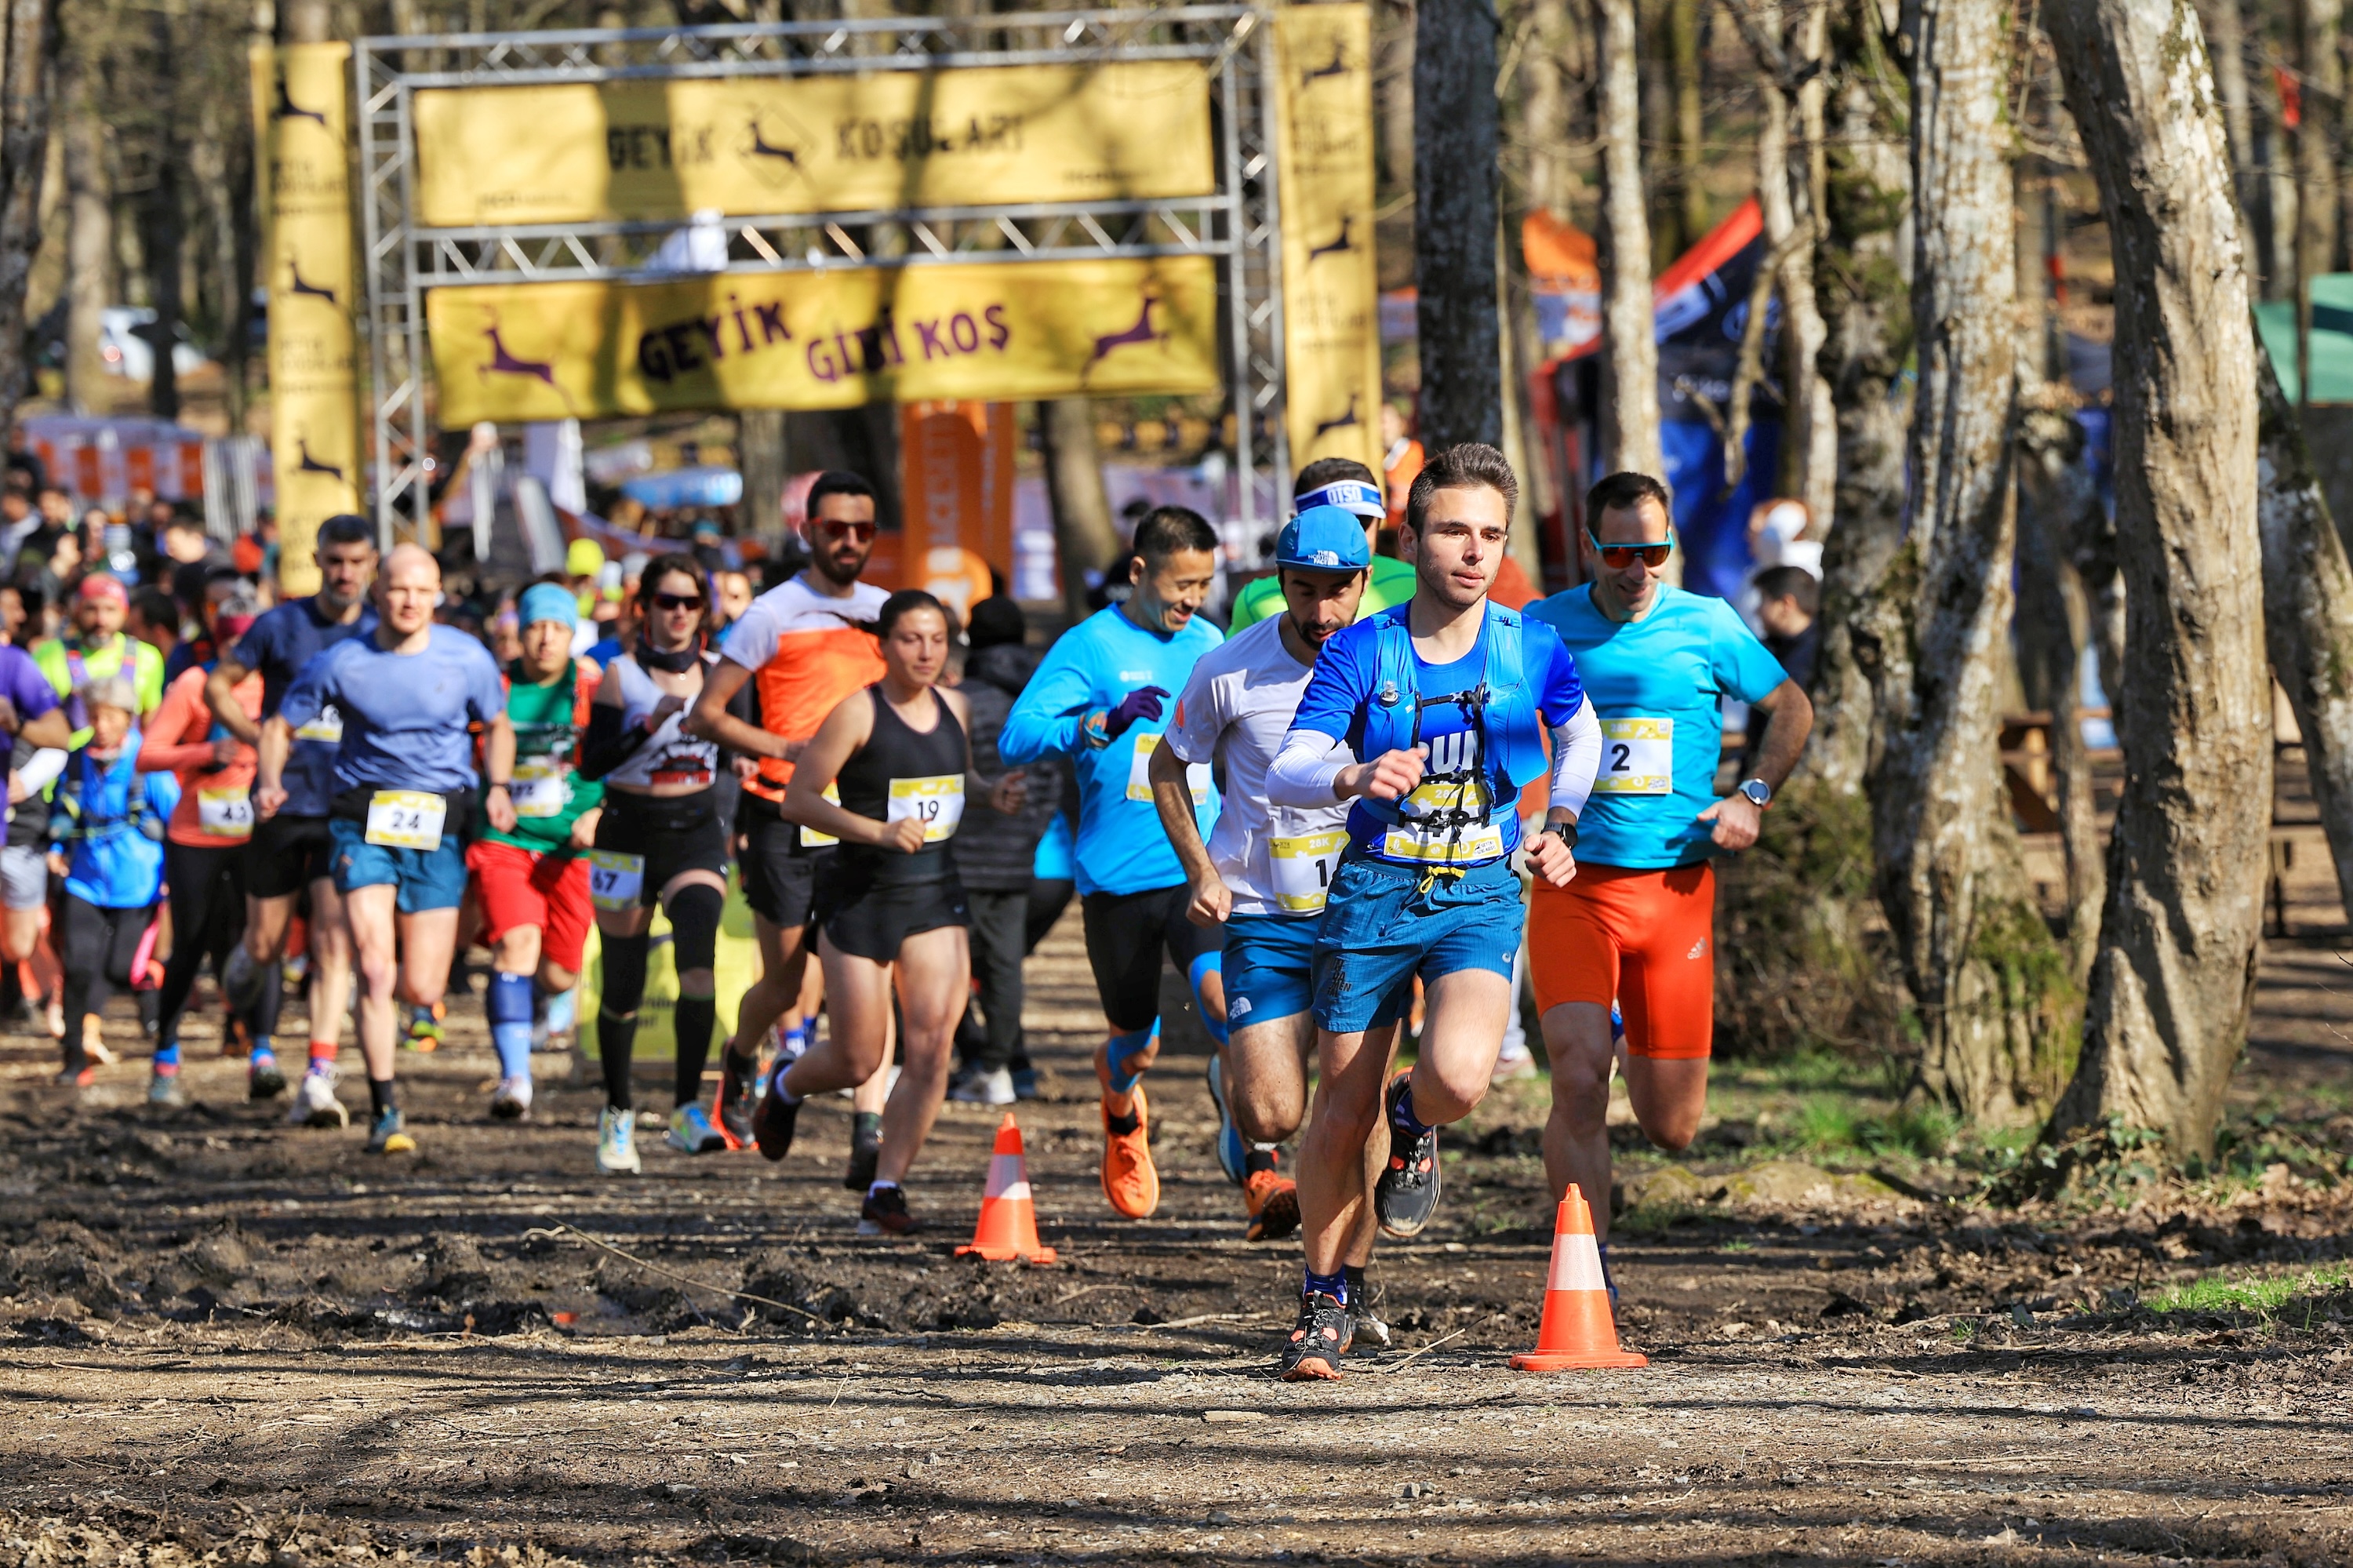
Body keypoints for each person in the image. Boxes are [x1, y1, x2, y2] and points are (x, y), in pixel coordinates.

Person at [1264, 442, 1598, 1380]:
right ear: (1411, 538)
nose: (1474, 551)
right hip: (1374, 890)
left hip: (1480, 891)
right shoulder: (1363, 647)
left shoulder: (1531, 643)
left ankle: (1414, 1130)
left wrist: (1560, 819)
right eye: (1454, 529)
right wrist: (1353, 772)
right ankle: (1324, 1300)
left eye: (1492, 534)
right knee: (1338, 1106)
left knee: (1457, 1079)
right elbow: (1289, 766)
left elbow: (1581, 737)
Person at [1524, 471, 1813, 1293]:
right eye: (1620, 550)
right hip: (1573, 884)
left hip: (1677, 891)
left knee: (1673, 1126)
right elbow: (1496, 723)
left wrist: (1752, 795)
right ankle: (1589, 1271)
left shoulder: (1708, 624)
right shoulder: (1543, 626)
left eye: (1653, 550)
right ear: (1591, 546)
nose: (1637, 566)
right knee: (1578, 1082)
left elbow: (1792, 707)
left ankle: (1619, 1025)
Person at [752, 590, 1023, 1232]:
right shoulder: (856, 713)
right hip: (861, 896)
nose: (927, 652)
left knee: (931, 1049)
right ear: (883, 645)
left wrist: (991, 794)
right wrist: (875, 831)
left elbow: (953, 788)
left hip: (935, 894)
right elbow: (798, 800)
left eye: (937, 639)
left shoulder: (955, 705)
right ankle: (786, 1086)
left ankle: (886, 1185)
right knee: (859, 1058)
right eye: (911, 639)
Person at [1154, 505, 1375, 1261]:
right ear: (1278, 583)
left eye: (1337, 590)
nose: (1321, 610)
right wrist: (1202, 869)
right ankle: (1237, 1090)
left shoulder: (1395, 658)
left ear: (1363, 582)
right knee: (1274, 1115)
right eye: (1303, 590)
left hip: (1367, 908)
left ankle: (1346, 1282)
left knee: (1357, 1106)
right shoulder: (1230, 668)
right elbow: (1166, 765)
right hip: (1263, 910)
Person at [998, 506, 1227, 1221]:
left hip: (1200, 867)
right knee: (1137, 1043)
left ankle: (1260, 1166)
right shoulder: (1090, 646)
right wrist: (1096, 723)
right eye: (1180, 584)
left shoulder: (1214, 642)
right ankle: (1122, 1111)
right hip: (1117, 874)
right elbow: (1017, 736)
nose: (1191, 601)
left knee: (1228, 1011)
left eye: (1203, 585)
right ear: (1138, 572)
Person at [261, 544, 515, 1154]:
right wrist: (270, 779)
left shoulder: (467, 657)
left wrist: (499, 785)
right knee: (375, 967)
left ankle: (408, 1017)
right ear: (378, 592)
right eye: (398, 588)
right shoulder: (343, 660)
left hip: (438, 823)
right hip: (362, 819)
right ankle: (385, 1109)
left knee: (422, 986)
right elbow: (279, 724)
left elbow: (497, 723)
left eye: (422, 590)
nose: (409, 601)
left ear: (438, 597)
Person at [685, 471, 889, 1152]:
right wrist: (785, 746)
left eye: (863, 529)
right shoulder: (771, 613)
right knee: (788, 981)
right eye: (836, 529)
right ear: (808, 532)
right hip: (782, 814)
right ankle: (743, 1054)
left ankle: (869, 1126)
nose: (850, 541)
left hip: (864, 820)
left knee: (872, 969)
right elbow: (704, 715)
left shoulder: (888, 612)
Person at [212, 515, 379, 1124]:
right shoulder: (280, 624)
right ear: (318, 560)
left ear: (372, 565)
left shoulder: (381, 631)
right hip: (282, 804)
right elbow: (218, 686)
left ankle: (318, 1074)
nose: (345, 573)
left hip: (346, 807)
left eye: (357, 562)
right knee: (264, 946)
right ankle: (243, 979)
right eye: (335, 561)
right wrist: (260, 739)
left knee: (336, 942)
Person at [576, 554, 733, 1170]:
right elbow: (592, 762)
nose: (678, 615)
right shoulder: (620, 674)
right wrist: (647, 726)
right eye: (666, 602)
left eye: (690, 603)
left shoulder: (721, 674)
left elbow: (741, 743)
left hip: (695, 833)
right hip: (627, 832)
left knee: (699, 964)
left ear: (704, 611)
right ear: (644, 608)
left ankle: (686, 1109)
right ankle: (617, 1111)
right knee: (623, 983)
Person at [466, 581, 603, 1122]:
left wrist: (601, 812)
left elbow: (621, 757)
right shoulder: (494, 686)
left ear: (572, 633)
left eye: (558, 628)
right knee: (515, 948)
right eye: (535, 628)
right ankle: (515, 1078)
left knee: (558, 973)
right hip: (506, 840)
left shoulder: (592, 687)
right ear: (518, 633)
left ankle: (548, 1003)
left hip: (572, 847)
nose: (546, 639)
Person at [136, 591, 268, 1101]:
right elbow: (148, 754)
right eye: (231, 641)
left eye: (250, 641)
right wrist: (205, 751)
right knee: (190, 943)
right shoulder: (194, 683)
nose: (241, 651)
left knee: (260, 942)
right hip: (197, 834)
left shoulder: (276, 684)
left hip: (259, 832)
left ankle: (263, 1052)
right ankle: (166, 1056)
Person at [944, 595, 1063, 1107]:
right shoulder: (1037, 697)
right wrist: (1028, 832)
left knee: (948, 966)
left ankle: (977, 1057)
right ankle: (1006, 1066)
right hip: (1030, 859)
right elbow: (1052, 775)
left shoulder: (956, 700)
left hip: (961, 859)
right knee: (1005, 964)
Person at [49, 676, 176, 1091]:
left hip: (138, 880)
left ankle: (150, 984)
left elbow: (175, 818)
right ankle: (73, 1055)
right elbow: (62, 807)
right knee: (79, 966)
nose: (100, 725)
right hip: (85, 879)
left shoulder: (146, 759)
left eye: (109, 716)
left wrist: (177, 874)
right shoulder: (78, 757)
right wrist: (55, 843)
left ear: (128, 717)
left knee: (121, 968)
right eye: (94, 715)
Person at [1227, 462, 1419, 635]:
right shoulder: (1255, 601)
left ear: (1380, 522)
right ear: (1295, 523)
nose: (1350, 536)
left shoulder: (1416, 584)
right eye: (1331, 524)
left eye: (1363, 522)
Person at [32, 575, 165, 741]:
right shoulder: (48, 655)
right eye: (91, 609)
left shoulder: (147, 658)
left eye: (110, 610)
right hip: (65, 761)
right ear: (77, 610)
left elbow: (150, 722)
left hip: (125, 763)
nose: (101, 620)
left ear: (125, 613)